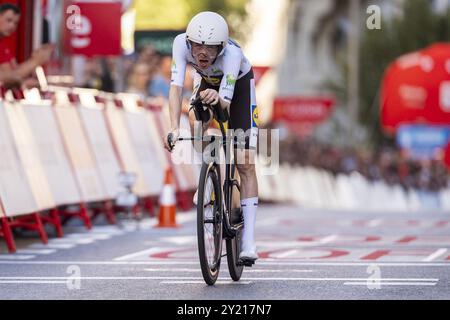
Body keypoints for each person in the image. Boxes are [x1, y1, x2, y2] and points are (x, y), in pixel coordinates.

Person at [163, 11, 259, 262]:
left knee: (245, 161)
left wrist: (219, 99)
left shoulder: (233, 55)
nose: (202, 54)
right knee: (196, 118)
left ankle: (248, 241)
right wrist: (173, 126)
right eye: (197, 46)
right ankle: (206, 177)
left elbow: (225, 110)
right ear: (188, 43)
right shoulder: (179, 44)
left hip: (237, 88)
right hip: (206, 82)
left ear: (221, 48)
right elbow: (175, 89)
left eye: (210, 49)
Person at [0, 3, 54, 88]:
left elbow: (12, 73)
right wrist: (36, 61)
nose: (12, 26)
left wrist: (23, 82)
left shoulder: (4, 45)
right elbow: (10, 76)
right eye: (9, 20)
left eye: (15, 23)